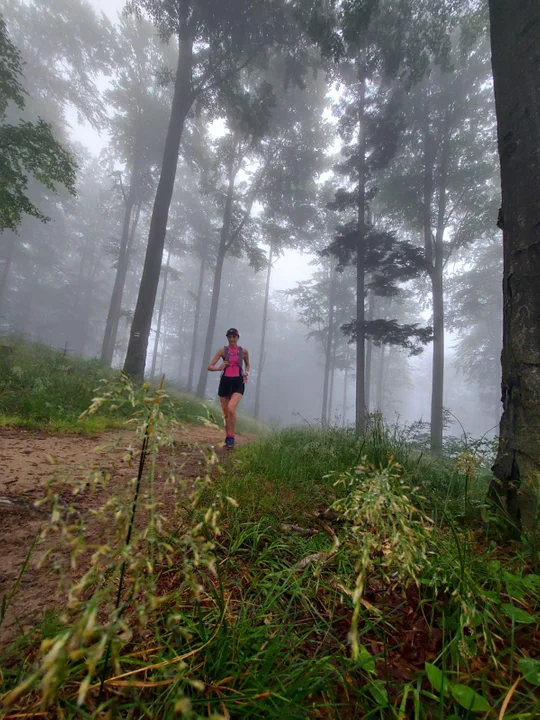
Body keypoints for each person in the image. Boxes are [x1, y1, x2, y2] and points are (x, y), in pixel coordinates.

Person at [207, 328, 250, 448]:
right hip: (225, 381)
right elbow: (209, 366)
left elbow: (247, 364)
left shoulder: (243, 351)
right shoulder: (222, 351)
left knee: (231, 408)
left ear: (238, 337)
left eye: (234, 337)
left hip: (238, 382)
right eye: (229, 337)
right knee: (226, 413)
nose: (232, 339)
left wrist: (247, 372)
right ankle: (228, 436)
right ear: (227, 338)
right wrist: (219, 368)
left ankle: (231, 437)